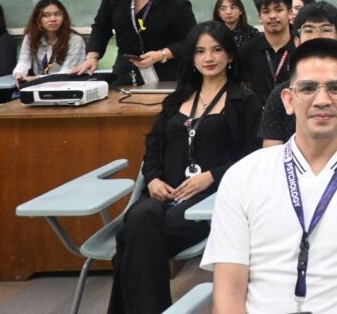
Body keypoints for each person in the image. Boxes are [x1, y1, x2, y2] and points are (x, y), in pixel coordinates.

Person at [203, 38, 337, 313]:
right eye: (308, 88)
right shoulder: (244, 176)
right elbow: (229, 292)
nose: (322, 100)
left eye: (336, 88)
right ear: (288, 100)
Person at [108, 22, 262, 314]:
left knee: (133, 238)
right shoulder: (176, 99)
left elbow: (254, 156)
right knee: (141, 219)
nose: (209, 58)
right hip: (163, 195)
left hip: (209, 202)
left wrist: (212, 176)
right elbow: (153, 146)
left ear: (230, 55)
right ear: (191, 58)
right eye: (200, 51)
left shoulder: (245, 102)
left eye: (217, 50)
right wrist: (153, 179)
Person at [259, 1, 337, 147]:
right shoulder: (281, 93)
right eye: (308, 30)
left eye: (326, 29)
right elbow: (271, 151)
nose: (317, 36)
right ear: (297, 41)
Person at [237, 0, 294, 102]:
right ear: (260, 17)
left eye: (279, 10)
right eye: (266, 12)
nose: (272, 16)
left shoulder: (302, 48)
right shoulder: (247, 50)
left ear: (290, 13)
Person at [13, 0, 86, 80]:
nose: (53, 19)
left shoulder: (75, 40)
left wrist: (38, 79)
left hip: (67, 84)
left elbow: (67, 73)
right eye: (46, 15)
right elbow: (23, 62)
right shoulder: (31, 37)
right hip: (38, 84)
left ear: (64, 17)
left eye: (57, 14)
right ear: (37, 19)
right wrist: (19, 75)